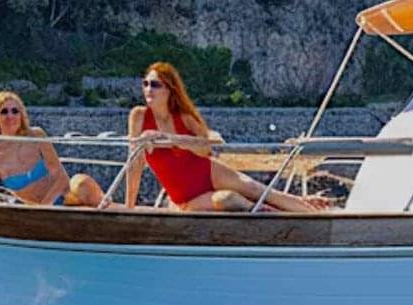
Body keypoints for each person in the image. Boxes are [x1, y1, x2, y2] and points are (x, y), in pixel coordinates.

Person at [67, 62, 331, 213]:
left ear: (170, 89)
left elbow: (207, 149)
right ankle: (286, 213)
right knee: (229, 201)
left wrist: (167, 139)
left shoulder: (185, 118)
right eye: (145, 83)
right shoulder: (138, 116)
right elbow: (134, 164)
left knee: (254, 187)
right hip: (184, 196)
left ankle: (311, 213)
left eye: (155, 84)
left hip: (206, 171)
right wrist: (129, 208)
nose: (148, 89)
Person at [0, 91, 75, 206]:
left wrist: (44, 206)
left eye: (15, 111)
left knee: (82, 184)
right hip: (34, 210)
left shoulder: (36, 136)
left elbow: (62, 178)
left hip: (63, 200)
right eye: (4, 112)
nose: (10, 116)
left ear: (21, 115)